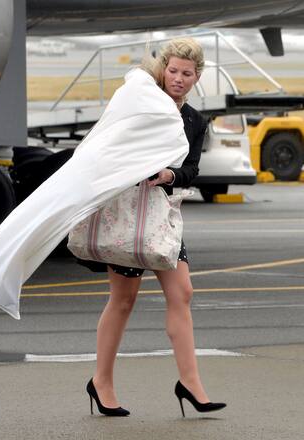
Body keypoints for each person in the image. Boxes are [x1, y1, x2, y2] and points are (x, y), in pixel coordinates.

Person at [82, 38, 227, 417]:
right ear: (163, 69)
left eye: (187, 74)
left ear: (198, 77)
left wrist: (171, 175)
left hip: (162, 218)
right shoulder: (143, 103)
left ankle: (191, 384)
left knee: (182, 292)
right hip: (129, 216)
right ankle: (102, 382)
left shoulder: (195, 120)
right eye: (174, 71)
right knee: (123, 300)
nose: (179, 78)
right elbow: (107, 145)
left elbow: (192, 169)